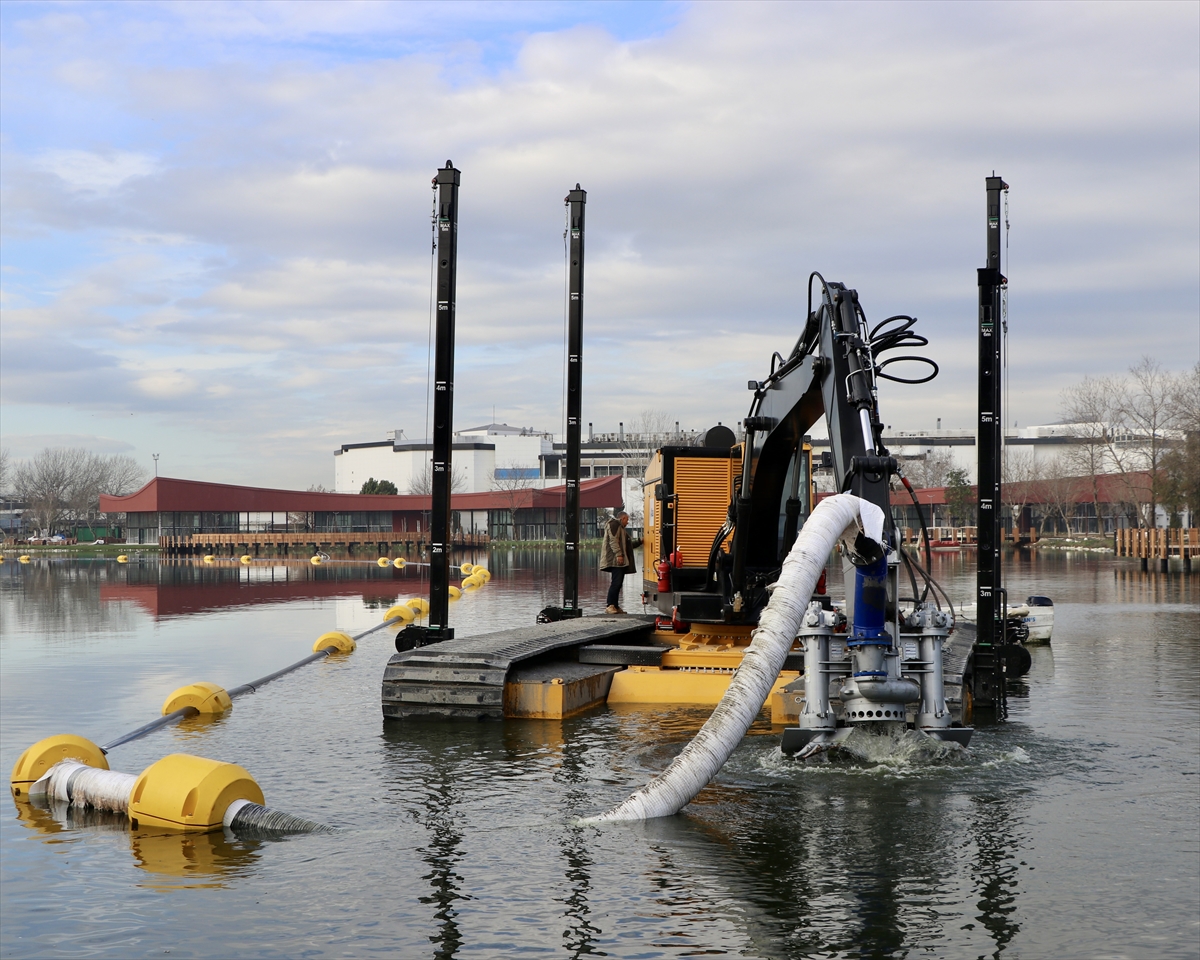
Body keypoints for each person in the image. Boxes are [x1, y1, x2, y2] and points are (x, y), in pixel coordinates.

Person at [600, 511, 636, 614]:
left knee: (618, 583)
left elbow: (628, 545)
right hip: (615, 560)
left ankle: (615, 606)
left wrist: (639, 541)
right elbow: (613, 541)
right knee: (616, 583)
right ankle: (610, 605)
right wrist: (619, 555)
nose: (628, 522)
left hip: (619, 560)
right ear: (623, 518)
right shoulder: (614, 524)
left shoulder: (621, 528)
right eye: (627, 519)